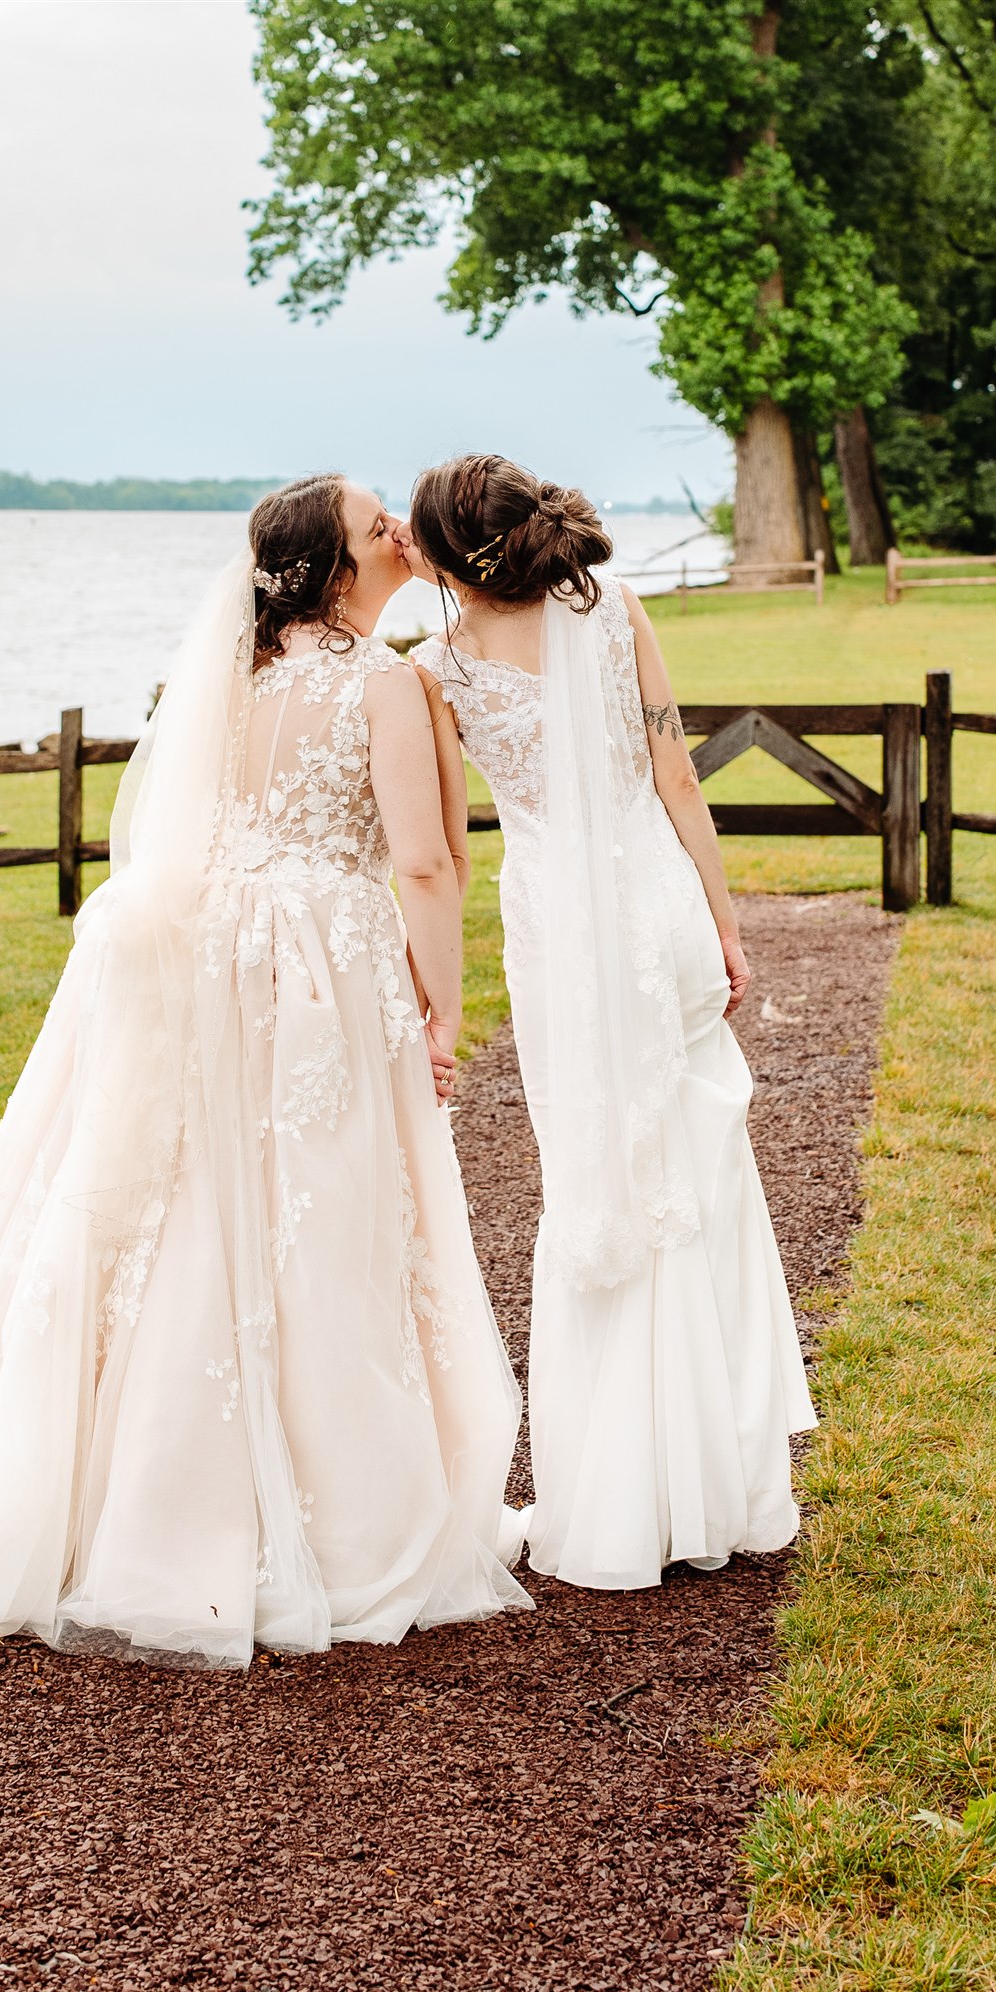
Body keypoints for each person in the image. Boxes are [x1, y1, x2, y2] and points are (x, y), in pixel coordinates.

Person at [0, 473, 532, 1666]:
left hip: (213, 959)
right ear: (332, 568)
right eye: (378, 527)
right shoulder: (382, 681)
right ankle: (322, 1507)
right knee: (324, 1212)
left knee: (195, 1202)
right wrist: (446, 1009)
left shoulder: (230, 678)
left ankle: (151, 1495)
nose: (398, 533)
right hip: (321, 967)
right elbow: (424, 863)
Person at [401, 453, 817, 1591]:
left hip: (558, 933)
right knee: (695, 1165)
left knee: (593, 1172)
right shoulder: (611, 607)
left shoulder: (435, 669)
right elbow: (675, 774)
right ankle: (721, 1480)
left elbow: (434, 835)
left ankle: (619, 1491)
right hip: (657, 904)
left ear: (447, 557)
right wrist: (723, 922)